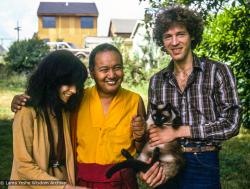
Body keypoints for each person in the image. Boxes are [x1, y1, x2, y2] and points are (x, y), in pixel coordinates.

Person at [11, 43, 164, 188]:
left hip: (120, 179)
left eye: (117, 68)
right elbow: (24, 164)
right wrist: (21, 100)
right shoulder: (78, 99)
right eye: (104, 69)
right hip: (81, 179)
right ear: (92, 72)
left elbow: (141, 146)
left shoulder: (133, 100)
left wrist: (139, 135)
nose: (111, 74)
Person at [140, 6, 241, 189]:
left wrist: (179, 131)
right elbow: (153, 127)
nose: (174, 42)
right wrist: (145, 161)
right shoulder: (157, 80)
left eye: (180, 34)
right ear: (162, 41)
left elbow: (232, 124)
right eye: (168, 36)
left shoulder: (217, 71)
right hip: (165, 160)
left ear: (192, 35)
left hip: (202, 161)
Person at [9, 50, 89, 189]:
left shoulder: (65, 107)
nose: (74, 90)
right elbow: (23, 166)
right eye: (69, 83)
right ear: (52, 81)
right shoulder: (26, 111)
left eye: (77, 85)